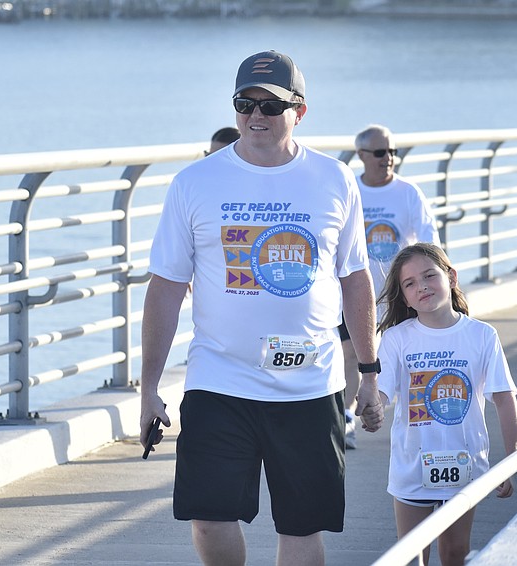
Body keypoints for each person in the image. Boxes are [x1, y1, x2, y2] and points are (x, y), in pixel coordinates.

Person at [139, 50, 385, 566]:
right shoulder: (195, 183)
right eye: (244, 103)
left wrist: (367, 373)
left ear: (300, 110)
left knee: (301, 526)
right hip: (218, 380)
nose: (256, 115)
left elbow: (355, 279)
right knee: (208, 519)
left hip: (309, 383)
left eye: (271, 105)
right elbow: (164, 288)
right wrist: (149, 389)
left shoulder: (334, 179)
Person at [373, 242, 517, 566]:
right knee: (411, 555)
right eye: (409, 283)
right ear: (403, 296)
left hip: (463, 463)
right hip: (411, 464)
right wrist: (371, 404)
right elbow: (381, 392)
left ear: (451, 277)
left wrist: (514, 459)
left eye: (429, 276)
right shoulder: (397, 338)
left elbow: (504, 398)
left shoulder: (482, 335)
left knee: (454, 552)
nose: (421, 286)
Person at [339, 124, 440, 449]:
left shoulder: (408, 192)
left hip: (399, 292)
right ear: (362, 156)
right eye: (381, 153)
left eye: (393, 152)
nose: (389, 159)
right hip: (355, 291)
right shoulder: (350, 190)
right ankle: (347, 420)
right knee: (351, 353)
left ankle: (413, 422)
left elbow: (428, 238)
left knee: (406, 357)